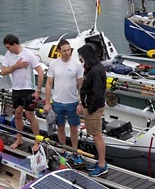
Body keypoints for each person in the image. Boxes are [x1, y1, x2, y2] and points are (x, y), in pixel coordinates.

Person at [43, 39, 84, 165]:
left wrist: (81, 102)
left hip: (72, 102)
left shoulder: (77, 65)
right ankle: (63, 150)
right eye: (64, 51)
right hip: (57, 102)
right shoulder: (53, 64)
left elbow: (80, 86)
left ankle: (75, 152)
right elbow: (49, 84)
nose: (67, 53)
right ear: (59, 51)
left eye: (69, 50)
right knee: (60, 128)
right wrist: (47, 102)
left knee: (73, 129)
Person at [0, 34, 45, 149]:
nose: (7, 50)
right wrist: (16, 66)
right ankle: (19, 139)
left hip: (28, 89)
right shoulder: (8, 55)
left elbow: (40, 71)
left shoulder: (28, 54)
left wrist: (38, 90)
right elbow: (3, 72)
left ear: (15, 45)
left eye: (8, 47)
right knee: (18, 114)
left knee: (30, 115)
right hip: (16, 89)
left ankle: (37, 140)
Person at [77, 44, 108, 176]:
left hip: (93, 108)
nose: (81, 59)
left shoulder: (95, 71)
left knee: (97, 136)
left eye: (82, 57)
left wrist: (89, 109)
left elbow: (97, 93)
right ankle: (100, 161)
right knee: (96, 135)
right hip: (91, 106)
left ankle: (102, 165)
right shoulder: (94, 68)